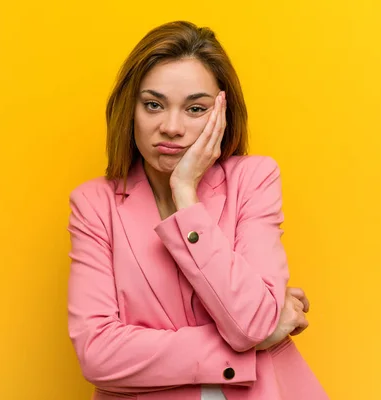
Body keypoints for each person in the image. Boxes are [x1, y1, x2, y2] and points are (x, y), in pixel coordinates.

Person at [66, 20, 328, 400]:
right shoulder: (94, 205)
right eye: (153, 105)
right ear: (130, 108)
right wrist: (248, 345)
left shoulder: (253, 180)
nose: (171, 127)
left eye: (195, 108)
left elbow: (252, 319)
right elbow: (97, 355)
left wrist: (185, 194)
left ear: (222, 113)